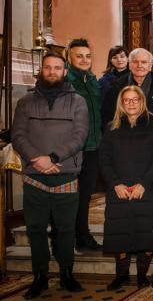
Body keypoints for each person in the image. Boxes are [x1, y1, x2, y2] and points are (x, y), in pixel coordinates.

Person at [12, 52, 88, 299]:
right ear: (41, 70)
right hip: (35, 176)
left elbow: (79, 136)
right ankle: (40, 276)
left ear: (65, 71)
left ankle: (67, 273)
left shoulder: (78, 102)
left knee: (66, 229)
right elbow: (18, 136)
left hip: (65, 174)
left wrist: (53, 158)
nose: (52, 71)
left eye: (57, 68)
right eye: (48, 67)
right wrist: (39, 160)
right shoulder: (26, 102)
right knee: (35, 229)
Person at [100, 85, 153, 290]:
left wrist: (144, 184)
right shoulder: (111, 127)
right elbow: (104, 160)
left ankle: (142, 275)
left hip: (145, 188)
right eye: (127, 100)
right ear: (121, 103)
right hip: (118, 188)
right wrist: (115, 183)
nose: (131, 103)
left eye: (135, 99)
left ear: (142, 101)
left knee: (146, 233)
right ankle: (122, 275)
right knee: (121, 232)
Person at [66, 38, 102, 250]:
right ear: (69, 57)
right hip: (73, 149)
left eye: (88, 56)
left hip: (93, 147)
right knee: (70, 196)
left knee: (85, 195)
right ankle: (70, 236)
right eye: (79, 56)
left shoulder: (93, 80)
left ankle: (82, 235)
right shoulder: (66, 82)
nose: (84, 59)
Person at [101, 48, 153, 128]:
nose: (139, 65)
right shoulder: (116, 87)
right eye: (135, 62)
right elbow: (107, 116)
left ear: (150, 65)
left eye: (144, 62)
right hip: (124, 134)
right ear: (129, 65)